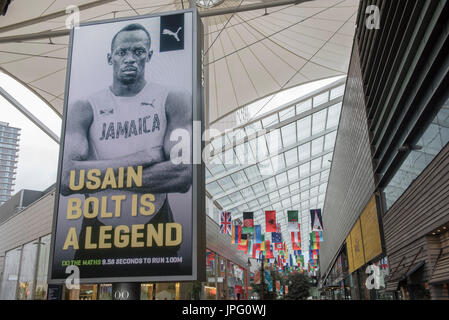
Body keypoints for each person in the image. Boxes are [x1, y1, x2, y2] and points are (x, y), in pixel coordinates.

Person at [60, 23, 192, 277]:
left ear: (149, 55)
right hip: (96, 231)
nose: (130, 59)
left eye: (139, 52)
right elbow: (66, 179)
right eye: (122, 52)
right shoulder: (84, 107)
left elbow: (182, 174)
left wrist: (98, 177)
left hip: (156, 227)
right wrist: (140, 159)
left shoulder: (174, 98)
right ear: (111, 57)